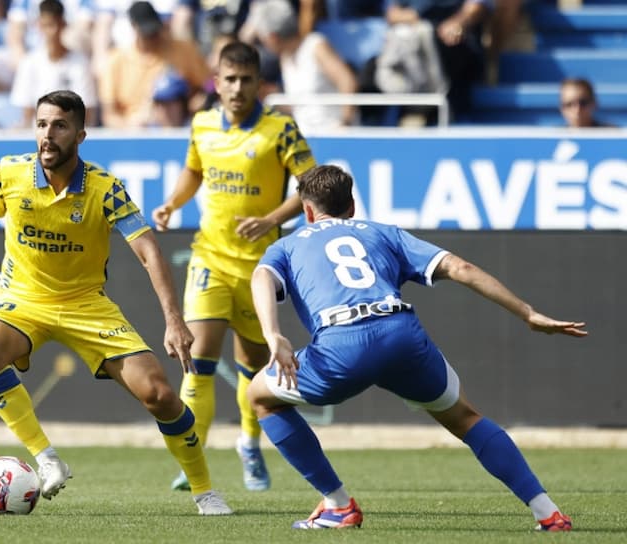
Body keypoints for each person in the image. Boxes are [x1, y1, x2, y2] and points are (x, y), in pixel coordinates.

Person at [246, 164, 586, 530]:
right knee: (467, 419)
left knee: (261, 397)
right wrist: (528, 313)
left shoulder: (287, 245)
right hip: (400, 335)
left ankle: (338, 505)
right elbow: (462, 267)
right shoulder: (383, 232)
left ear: (307, 211)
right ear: (353, 206)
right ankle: (547, 511)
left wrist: (273, 334)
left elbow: (262, 276)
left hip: (341, 345)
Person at [0, 90, 232, 516]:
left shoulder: (105, 188)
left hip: (86, 305)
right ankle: (47, 459)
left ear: (81, 134)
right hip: (23, 299)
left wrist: (174, 321)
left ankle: (205, 492)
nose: (47, 135)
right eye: (41, 124)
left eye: (59, 126)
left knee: (159, 394)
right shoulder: (10, 173)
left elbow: (148, 251)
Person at [151, 41, 317, 492]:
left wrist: (269, 219)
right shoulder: (202, 124)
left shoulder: (281, 129)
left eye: (246, 79)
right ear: (217, 82)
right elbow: (194, 171)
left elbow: (311, 186)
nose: (238, 87)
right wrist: (171, 203)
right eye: (230, 79)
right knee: (197, 360)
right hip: (210, 257)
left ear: (258, 83)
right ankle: (193, 454)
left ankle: (248, 442)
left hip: (260, 267)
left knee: (253, 365)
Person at [250, 0, 359, 132]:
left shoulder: (316, 46)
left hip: (336, 136)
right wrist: (273, 98)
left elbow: (347, 81)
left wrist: (345, 123)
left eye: (263, 40)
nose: (264, 45)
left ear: (273, 38)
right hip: (306, 140)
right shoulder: (285, 59)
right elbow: (301, 107)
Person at [97, 1, 209, 128]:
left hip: (181, 125)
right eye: (147, 34)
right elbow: (108, 115)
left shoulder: (183, 50)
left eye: (155, 31)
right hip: (135, 133)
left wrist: (193, 105)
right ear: (134, 27)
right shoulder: (116, 61)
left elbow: (209, 85)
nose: (153, 37)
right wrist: (130, 126)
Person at [9, 0, 98, 127]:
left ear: (64, 24)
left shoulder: (80, 63)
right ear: (39, 26)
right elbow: (27, 115)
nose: (53, 31)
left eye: (57, 24)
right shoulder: (29, 63)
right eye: (48, 25)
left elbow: (87, 114)